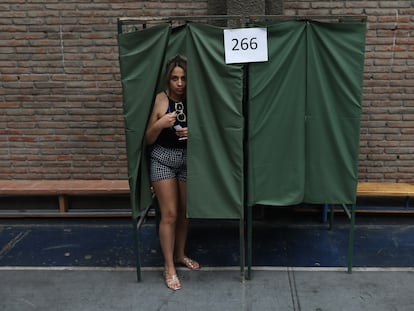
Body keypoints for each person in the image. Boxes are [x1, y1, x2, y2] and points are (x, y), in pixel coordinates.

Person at [145, 54, 200, 291]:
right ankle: (168, 266)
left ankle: (180, 255)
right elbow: (147, 139)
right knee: (169, 214)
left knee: (185, 213)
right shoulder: (160, 99)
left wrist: (195, 132)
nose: (179, 83)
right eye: (175, 78)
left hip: (188, 161)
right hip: (162, 160)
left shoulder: (196, 99)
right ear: (168, 79)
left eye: (184, 78)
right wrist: (160, 124)